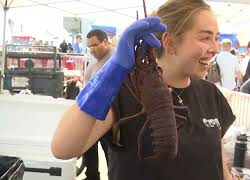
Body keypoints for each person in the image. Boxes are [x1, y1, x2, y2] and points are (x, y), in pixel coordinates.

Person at [51, 1, 235, 180]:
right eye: (205, 37)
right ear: (169, 42)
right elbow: (62, 148)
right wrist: (112, 70)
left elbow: (218, 164)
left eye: (216, 38)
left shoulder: (211, 94)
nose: (215, 48)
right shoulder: (119, 92)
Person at [82, 29, 114, 180]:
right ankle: (92, 176)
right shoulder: (93, 63)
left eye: (95, 45)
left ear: (105, 42)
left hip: (111, 118)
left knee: (111, 155)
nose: (92, 49)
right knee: (88, 146)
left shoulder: (116, 60)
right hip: (93, 115)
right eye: (90, 47)